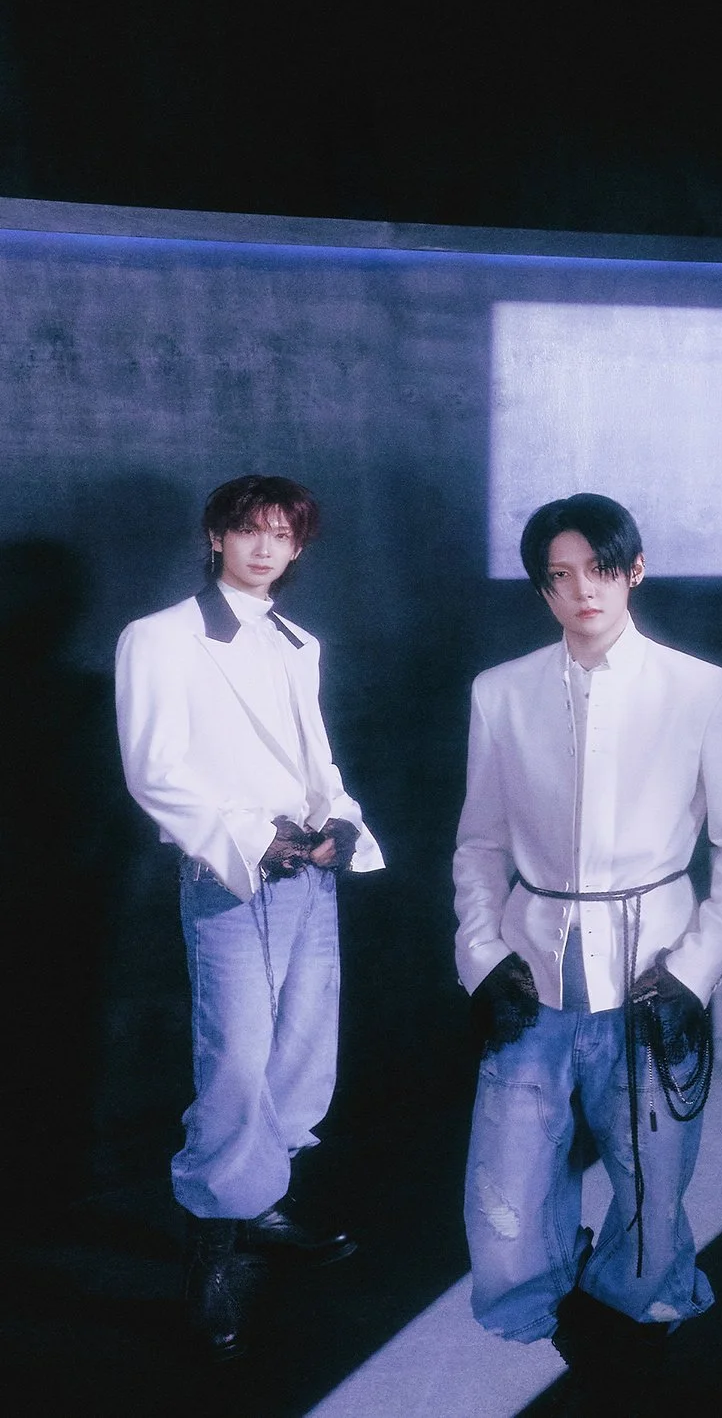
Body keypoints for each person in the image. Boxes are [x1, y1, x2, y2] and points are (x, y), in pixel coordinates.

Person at [452, 494, 722, 1409]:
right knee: (508, 1190)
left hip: (652, 968)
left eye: (599, 568)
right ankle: (543, 1300)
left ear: (634, 570)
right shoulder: (501, 692)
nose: (581, 591)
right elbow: (479, 842)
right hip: (533, 962)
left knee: (652, 1176)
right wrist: (481, 954)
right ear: (542, 588)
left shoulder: (704, 690)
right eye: (559, 576)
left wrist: (694, 970)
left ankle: (629, 1301)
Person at [115, 475, 384, 1360]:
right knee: (236, 1058)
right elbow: (155, 770)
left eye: (282, 534)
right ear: (215, 536)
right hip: (230, 872)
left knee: (303, 1051)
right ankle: (212, 1243)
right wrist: (251, 836)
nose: (265, 547)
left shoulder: (297, 641)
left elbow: (317, 764)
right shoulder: (160, 636)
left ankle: (260, 1203)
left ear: (298, 547)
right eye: (248, 530)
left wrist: (340, 819)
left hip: (311, 873)